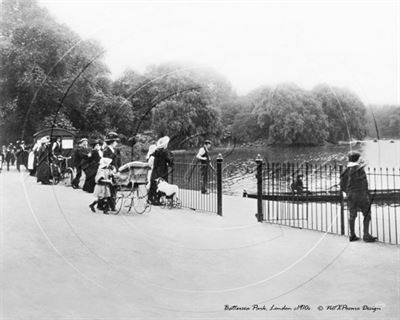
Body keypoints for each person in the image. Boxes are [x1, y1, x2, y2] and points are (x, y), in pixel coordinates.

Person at [340, 151, 377, 242]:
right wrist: (367, 194)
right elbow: (365, 184)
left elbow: (342, 185)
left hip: (351, 195)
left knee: (352, 215)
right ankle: (366, 235)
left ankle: (352, 235)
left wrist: (348, 192)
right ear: (357, 159)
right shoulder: (360, 169)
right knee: (367, 214)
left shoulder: (345, 170)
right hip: (361, 195)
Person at [149, 136, 173, 205]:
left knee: (154, 184)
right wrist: (171, 161)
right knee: (161, 185)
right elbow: (169, 160)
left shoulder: (156, 151)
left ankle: (151, 199)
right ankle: (157, 200)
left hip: (155, 170)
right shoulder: (164, 152)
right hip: (162, 170)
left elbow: (151, 158)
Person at [102, 132, 120, 210]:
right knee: (109, 188)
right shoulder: (106, 150)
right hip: (108, 171)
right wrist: (112, 168)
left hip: (115, 171)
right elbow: (105, 162)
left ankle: (111, 205)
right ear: (112, 141)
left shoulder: (116, 150)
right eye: (115, 141)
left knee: (114, 188)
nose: (116, 143)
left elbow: (119, 161)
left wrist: (119, 169)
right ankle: (110, 206)